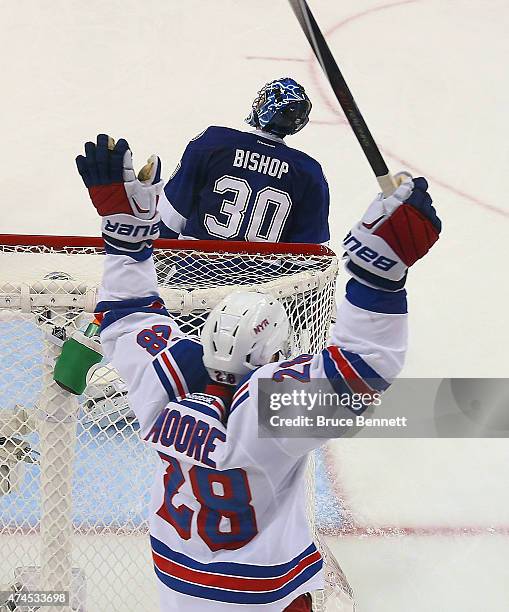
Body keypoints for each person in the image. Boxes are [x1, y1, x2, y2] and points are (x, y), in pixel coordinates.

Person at [76, 135, 441, 611]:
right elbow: (364, 367)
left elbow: (126, 315)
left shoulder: (165, 382)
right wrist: (381, 278)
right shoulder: (271, 414)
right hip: (264, 595)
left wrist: (126, 237)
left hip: (176, 584)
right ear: (274, 358)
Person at [158, 77, 330, 245]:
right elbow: (311, 256)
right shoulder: (309, 172)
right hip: (266, 273)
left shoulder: (213, 142)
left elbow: (169, 217)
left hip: (197, 268)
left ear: (266, 109)